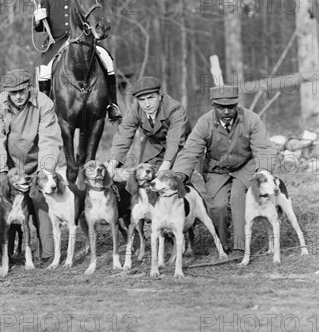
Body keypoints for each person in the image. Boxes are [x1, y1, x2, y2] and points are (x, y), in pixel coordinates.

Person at [172, 85, 277, 257]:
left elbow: (264, 148)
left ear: (237, 104)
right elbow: (190, 151)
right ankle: (222, 245)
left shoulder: (251, 119)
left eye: (230, 107)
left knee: (238, 198)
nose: (226, 112)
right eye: (221, 108)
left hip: (245, 166)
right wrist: (179, 175)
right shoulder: (204, 123)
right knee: (218, 207)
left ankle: (240, 246)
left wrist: (263, 171)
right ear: (213, 106)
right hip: (216, 169)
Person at [33, 0, 122, 124]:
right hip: (57, 44)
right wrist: (37, 19)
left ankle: (112, 105)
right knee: (44, 70)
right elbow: (38, 28)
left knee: (108, 61)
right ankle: (45, 111)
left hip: (84, 42)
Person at [0, 68, 62, 263]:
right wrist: (1, 171)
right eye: (13, 93)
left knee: (40, 203)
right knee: (3, 206)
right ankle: (4, 253)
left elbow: (49, 139)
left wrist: (45, 171)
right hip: (9, 166)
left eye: (22, 91)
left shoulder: (44, 102)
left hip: (37, 163)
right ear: (6, 93)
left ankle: (47, 252)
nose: (18, 96)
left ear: (29, 87)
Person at [108, 76, 191, 174]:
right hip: (154, 148)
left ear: (159, 95)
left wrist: (165, 167)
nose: (147, 104)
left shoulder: (175, 109)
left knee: (179, 180)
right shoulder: (136, 110)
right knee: (141, 178)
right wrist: (112, 165)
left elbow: (174, 141)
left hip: (183, 149)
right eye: (142, 100)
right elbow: (123, 136)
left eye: (150, 98)